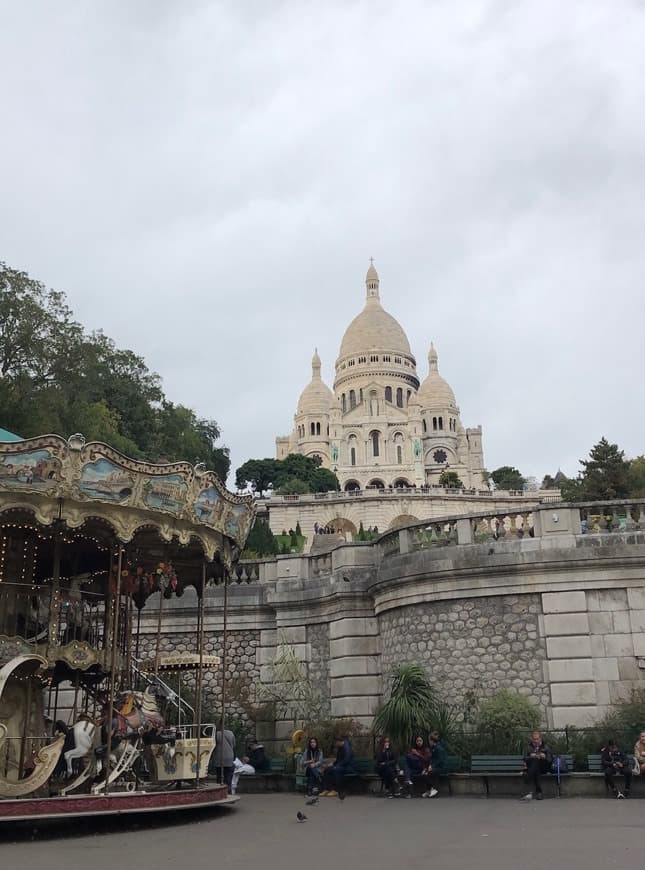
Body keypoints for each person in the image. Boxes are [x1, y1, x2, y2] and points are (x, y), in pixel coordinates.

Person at [522, 730, 552, 800]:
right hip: (535, 769)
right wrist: (530, 757)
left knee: (537, 762)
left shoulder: (546, 747)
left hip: (544, 768)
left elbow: (550, 760)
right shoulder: (528, 748)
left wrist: (545, 757)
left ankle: (528, 778)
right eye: (534, 739)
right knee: (536, 765)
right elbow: (524, 759)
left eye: (537, 739)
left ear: (540, 738)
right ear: (532, 739)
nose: (536, 741)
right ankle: (539, 793)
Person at [209, 727, 235, 793]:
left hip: (219, 758)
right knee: (228, 778)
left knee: (220, 777)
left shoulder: (216, 734)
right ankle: (229, 792)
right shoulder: (231, 733)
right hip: (229, 757)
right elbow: (234, 744)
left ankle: (220, 793)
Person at [423, 731, 447, 798]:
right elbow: (432, 759)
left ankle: (433, 789)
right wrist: (429, 766)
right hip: (436, 767)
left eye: (429, 741)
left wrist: (432, 766)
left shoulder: (439, 748)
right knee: (425, 773)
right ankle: (429, 790)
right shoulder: (433, 748)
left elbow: (440, 760)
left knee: (430, 773)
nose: (428, 742)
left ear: (432, 741)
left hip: (441, 768)